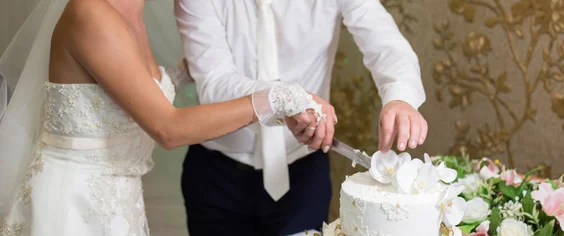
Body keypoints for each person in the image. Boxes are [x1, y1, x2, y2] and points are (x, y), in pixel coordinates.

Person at [0, 0, 325, 234]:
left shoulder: (132, 13)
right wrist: (281, 97)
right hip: (74, 204)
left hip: (120, 199)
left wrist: (190, 71)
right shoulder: (92, 13)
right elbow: (168, 128)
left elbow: (129, 91)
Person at [175, 0, 429, 235]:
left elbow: (385, 43)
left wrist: (400, 96)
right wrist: (286, 99)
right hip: (216, 175)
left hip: (303, 175)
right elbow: (214, 82)